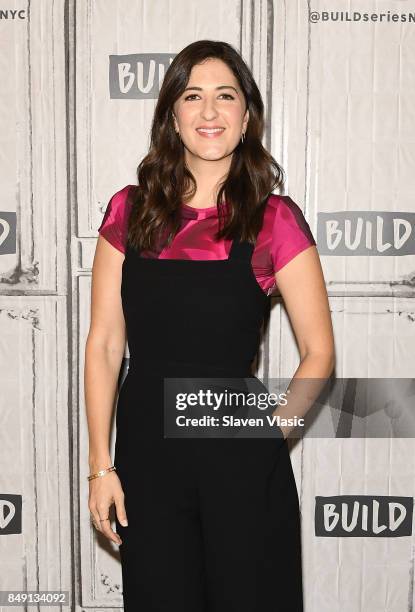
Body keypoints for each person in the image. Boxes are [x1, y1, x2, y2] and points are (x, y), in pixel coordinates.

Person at [84, 40, 335, 612]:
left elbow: (319, 352)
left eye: (226, 96)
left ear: (246, 117)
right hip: (147, 458)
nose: (209, 112)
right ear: (172, 116)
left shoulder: (276, 220)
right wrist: (101, 466)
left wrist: (268, 438)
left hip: (241, 460)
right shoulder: (130, 211)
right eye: (192, 96)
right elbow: (103, 345)